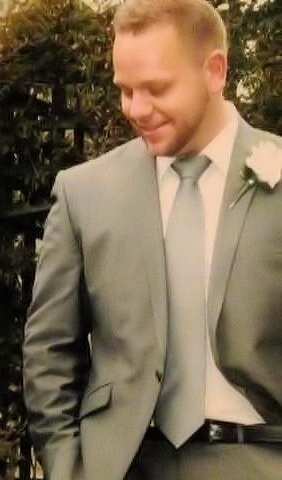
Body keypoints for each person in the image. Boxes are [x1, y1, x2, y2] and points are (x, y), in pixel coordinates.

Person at [22, 0, 282, 479]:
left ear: (215, 71)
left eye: (157, 88)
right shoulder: (85, 193)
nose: (137, 109)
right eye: (125, 90)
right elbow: (49, 354)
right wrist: (67, 468)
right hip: (123, 466)